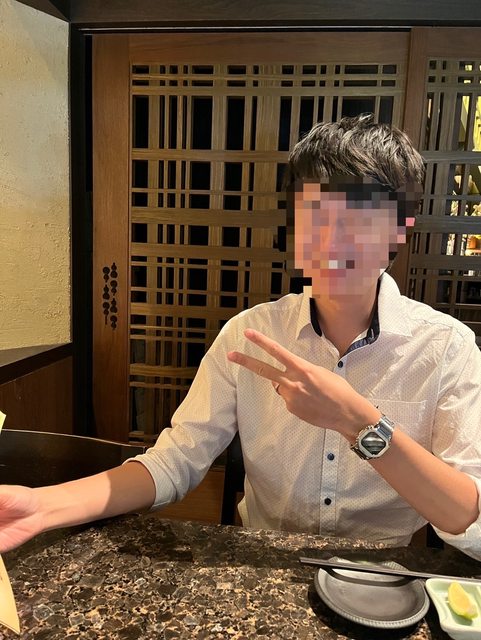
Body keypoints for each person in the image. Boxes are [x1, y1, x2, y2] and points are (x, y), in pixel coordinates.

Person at [1, 114, 481, 560]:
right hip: (264, 565)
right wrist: (41, 507)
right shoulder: (251, 334)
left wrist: (357, 421)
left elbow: (469, 521)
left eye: (359, 219)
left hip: (383, 578)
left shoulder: (445, 348)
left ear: (400, 228)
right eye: (315, 216)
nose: (331, 240)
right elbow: (176, 459)